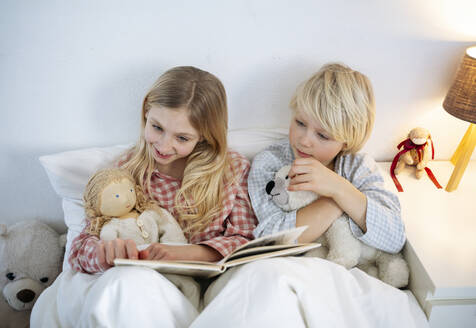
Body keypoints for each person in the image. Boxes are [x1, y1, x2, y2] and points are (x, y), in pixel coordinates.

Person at [190, 63, 420, 328]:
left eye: (322, 135)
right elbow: (270, 238)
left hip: (340, 278)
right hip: (286, 272)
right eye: (299, 123)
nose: (304, 140)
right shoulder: (272, 163)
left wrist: (338, 186)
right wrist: (334, 200)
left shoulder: (358, 167)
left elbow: (393, 237)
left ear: (346, 140)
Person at [31, 66, 257, 328]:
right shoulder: (126, 172)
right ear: (146, 111)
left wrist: (182, 253)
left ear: (205, 136)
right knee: (121, 287)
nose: (163, 145)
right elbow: (80, 248)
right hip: (145, 292)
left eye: (182, 138)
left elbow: (245, 241)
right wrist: (105, 253)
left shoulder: (231, 169)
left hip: (212, 290)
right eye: (157, 127)